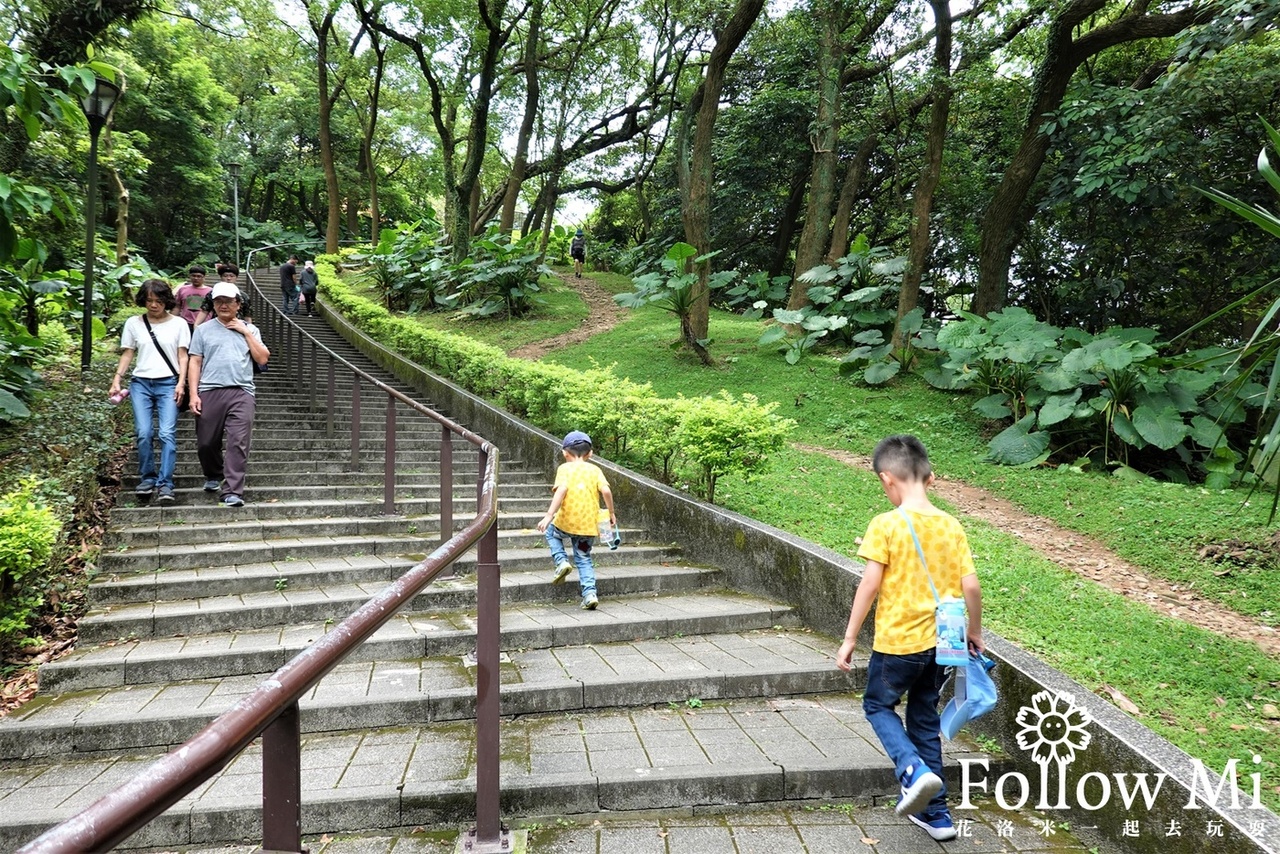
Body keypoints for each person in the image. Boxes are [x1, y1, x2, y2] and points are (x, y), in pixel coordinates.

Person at [835, 434, 983, 843]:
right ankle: (938, 818)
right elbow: (971, 586)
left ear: (887, 480)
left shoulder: (886, 524)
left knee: (877, 704)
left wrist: (849, 638)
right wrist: (975, 631)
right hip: (944, 644)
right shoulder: (951, 526)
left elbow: (869, 586)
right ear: (930, 478)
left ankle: (912, 771)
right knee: (924, 717)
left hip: (898, 644)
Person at [187, 282, 270, 507]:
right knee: (206, 443)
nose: (223, 305)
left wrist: (245, 331)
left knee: (238, 441)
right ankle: (213, 474)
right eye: (218, 301)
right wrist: (193, 394)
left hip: (242, 392)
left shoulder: (251, 330)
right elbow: (195, 361)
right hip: (209, 390)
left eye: (228, 301)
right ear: (213, 304)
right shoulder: (203, 330)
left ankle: (232, 491)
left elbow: (262, 358)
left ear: (238, 304)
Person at [110, 279, 191, 504]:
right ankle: (147, 478)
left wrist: (181, 383)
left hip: (169, 383)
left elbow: (183, 355)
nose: (154, 305)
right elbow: (127, 353)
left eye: (158, 300)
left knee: (166, 433)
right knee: (143, 432)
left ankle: (166, 484)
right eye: (149, 300)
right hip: (141, 383)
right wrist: (117, 379)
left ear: (166, 300)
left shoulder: (179, 324)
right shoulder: (134, 323)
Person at [535, 430, 616, 610]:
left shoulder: (564, 469)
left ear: (565, 452)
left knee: (551, 532)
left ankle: (561, 561)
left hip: (566, 522)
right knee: (584, 558)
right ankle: (589, 595)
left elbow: (562, 491)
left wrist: (549, 515)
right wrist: (611, 513)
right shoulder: (595, 470)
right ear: (590, 453)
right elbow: (607, 492)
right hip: (588, 527)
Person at [173, 265, 211, 331]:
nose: (196, 278)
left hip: (204, 324)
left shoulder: (210, 291)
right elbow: (177, 306)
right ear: (190, 276)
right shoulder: (182, 289)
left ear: (204, 277)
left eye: (199, 276)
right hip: (185, 323)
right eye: (193, 276)